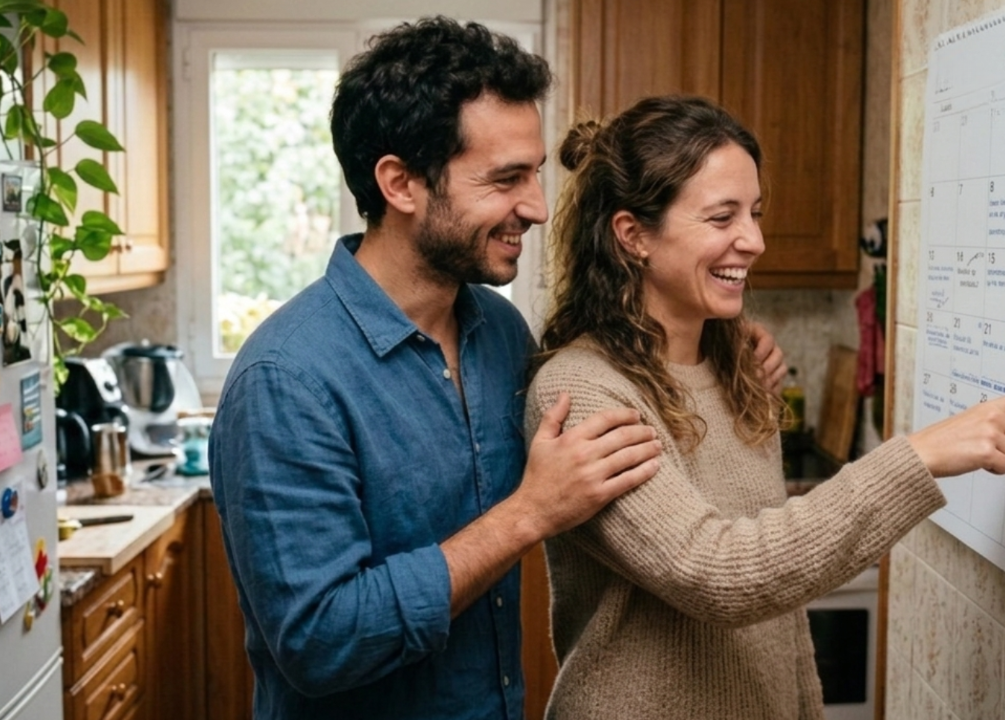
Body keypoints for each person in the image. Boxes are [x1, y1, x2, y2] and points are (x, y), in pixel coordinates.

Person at [209, 19, 785, 720]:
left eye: (535, 173)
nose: (537, 207)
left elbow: (617, 365)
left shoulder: (499, 333)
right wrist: (528, 513)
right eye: (506, 179)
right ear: (400, 183)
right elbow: (320, 641)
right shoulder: (286, 379)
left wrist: (726, 349)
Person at [525, 95, 1005, 719]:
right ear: (633, 236)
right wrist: (916, 457)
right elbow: (718, 573)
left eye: (755, 213)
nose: (754, 241)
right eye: (722, 217)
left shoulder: (737, 369)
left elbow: (778, 619)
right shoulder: (584, 391)